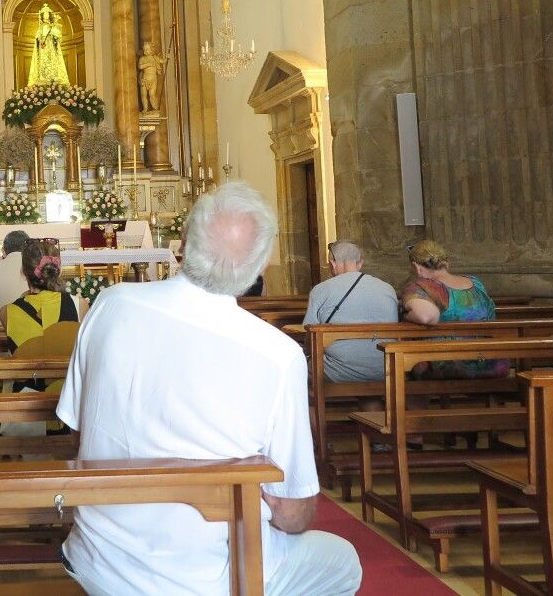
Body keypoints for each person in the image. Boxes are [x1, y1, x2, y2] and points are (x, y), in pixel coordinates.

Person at [56, 182, 361, 596]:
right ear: (261, 266)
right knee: (343, 562)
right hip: (207, 576)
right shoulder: (278, 355)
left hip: (99, 558)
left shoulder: (110, 304)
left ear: (183, 242)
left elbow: (76, 430)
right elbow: (292, 513)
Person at [400, 238, 504, 378]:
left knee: (408, 368)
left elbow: (424, 316)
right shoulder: (476, 282)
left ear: (417, 267)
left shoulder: (419, 287)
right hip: (489, 360)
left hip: (447, 362)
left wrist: (405, 315)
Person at [303, 240, 399, 383]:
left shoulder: (321, 290)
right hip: (384, 368)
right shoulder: (388, 288)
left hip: (337, 371)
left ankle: (312, 404)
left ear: (332, 263)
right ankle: (371, 403)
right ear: (360, 263)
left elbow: (310, 336)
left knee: (298, 372)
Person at [0, 238, 81, 354]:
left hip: (27, 372)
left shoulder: (6, 312)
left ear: (23, 272)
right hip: (66, 372)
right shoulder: (79, 304)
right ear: (58, 271)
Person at [0, 229, 30, 325]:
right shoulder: (34, 266)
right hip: (30, 330)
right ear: (27, 247)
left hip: (2, 329)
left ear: (4, 250)